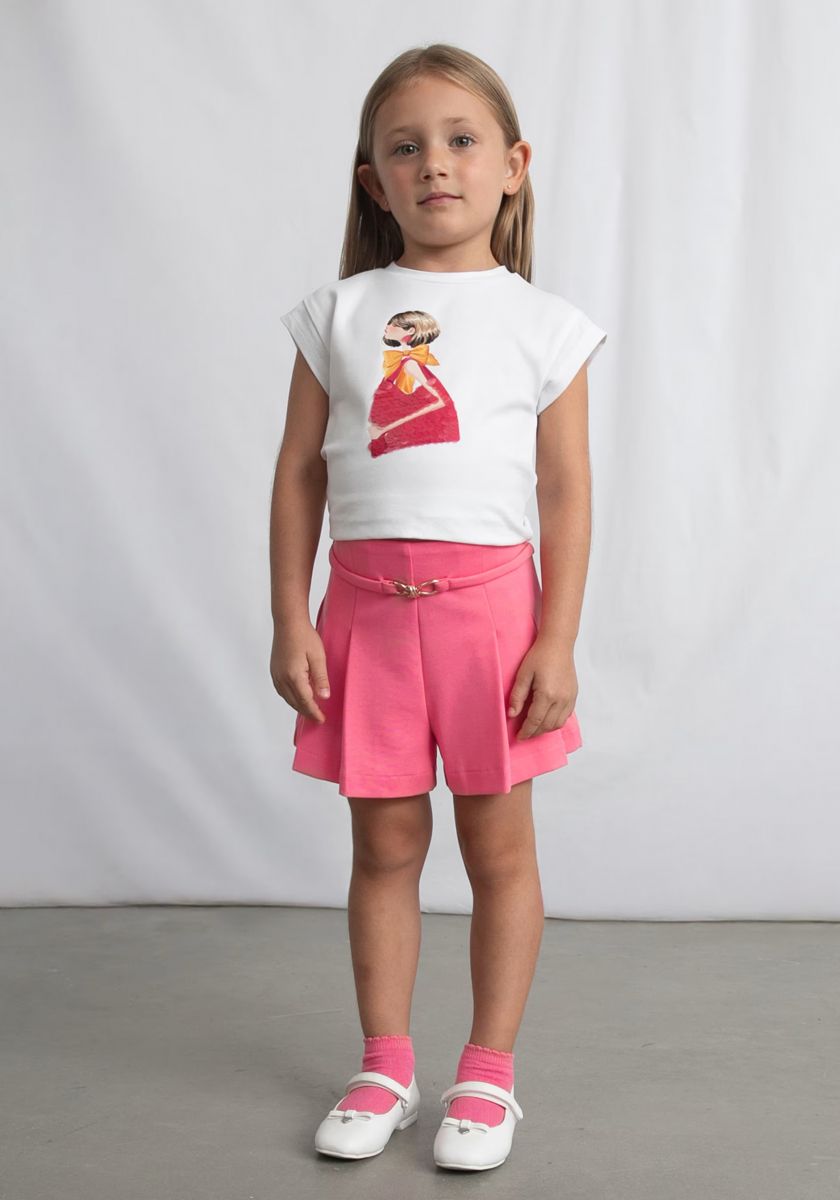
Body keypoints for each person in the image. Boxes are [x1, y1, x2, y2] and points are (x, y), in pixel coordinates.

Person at [269, 42, 607, 1172]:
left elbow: (564, 491)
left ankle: (487, 1075)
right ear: (373, 181)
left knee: (497, 848)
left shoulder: (545, 325)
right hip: (362, 616)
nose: (436, 165)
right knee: (384, 844)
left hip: (492, 623)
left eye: (462, 141)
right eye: (406, 148)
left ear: (512, 165)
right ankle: (384, 1065)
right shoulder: (337, 313)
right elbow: (298, 475)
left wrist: (556, 637)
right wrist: (290, 616)